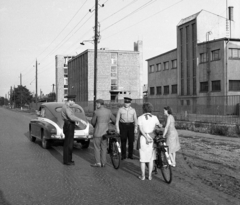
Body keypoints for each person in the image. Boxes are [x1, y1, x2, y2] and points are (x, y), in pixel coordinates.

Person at [137, 102, 162, 180]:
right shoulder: (154, 117)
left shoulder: (140, 118)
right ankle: (150, 176)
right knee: (151, 158)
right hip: (152, 137)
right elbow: (159, 125)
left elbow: (140, 129)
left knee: (143, 159)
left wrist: (145, 137)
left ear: (143, 109)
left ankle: (143, 176)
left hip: (143, 138)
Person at [61, 95, 87, 165]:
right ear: (70, 100)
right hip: (69, 125)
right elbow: (71, 117)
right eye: (73, 101)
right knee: (68, 144)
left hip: (68, 125)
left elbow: (72, 117)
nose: (74, 102)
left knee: (69, 143)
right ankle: (67, 161)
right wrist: (81, 120)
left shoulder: (67, 107)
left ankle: (68, 159)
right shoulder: (66, 107)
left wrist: (77, 121)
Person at [91, 99, 116, 167]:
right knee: (104, 147)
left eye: (97, 104)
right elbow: (114, 120)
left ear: (99, 104)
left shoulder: (96, 112)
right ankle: (104, 162)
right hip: (105, 133)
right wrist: (110, 123)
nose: (96, 105)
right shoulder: (108, 111)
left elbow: (93, 122)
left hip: (97, 132)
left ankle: (98, 162)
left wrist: (95, 125)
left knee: (97, 148)